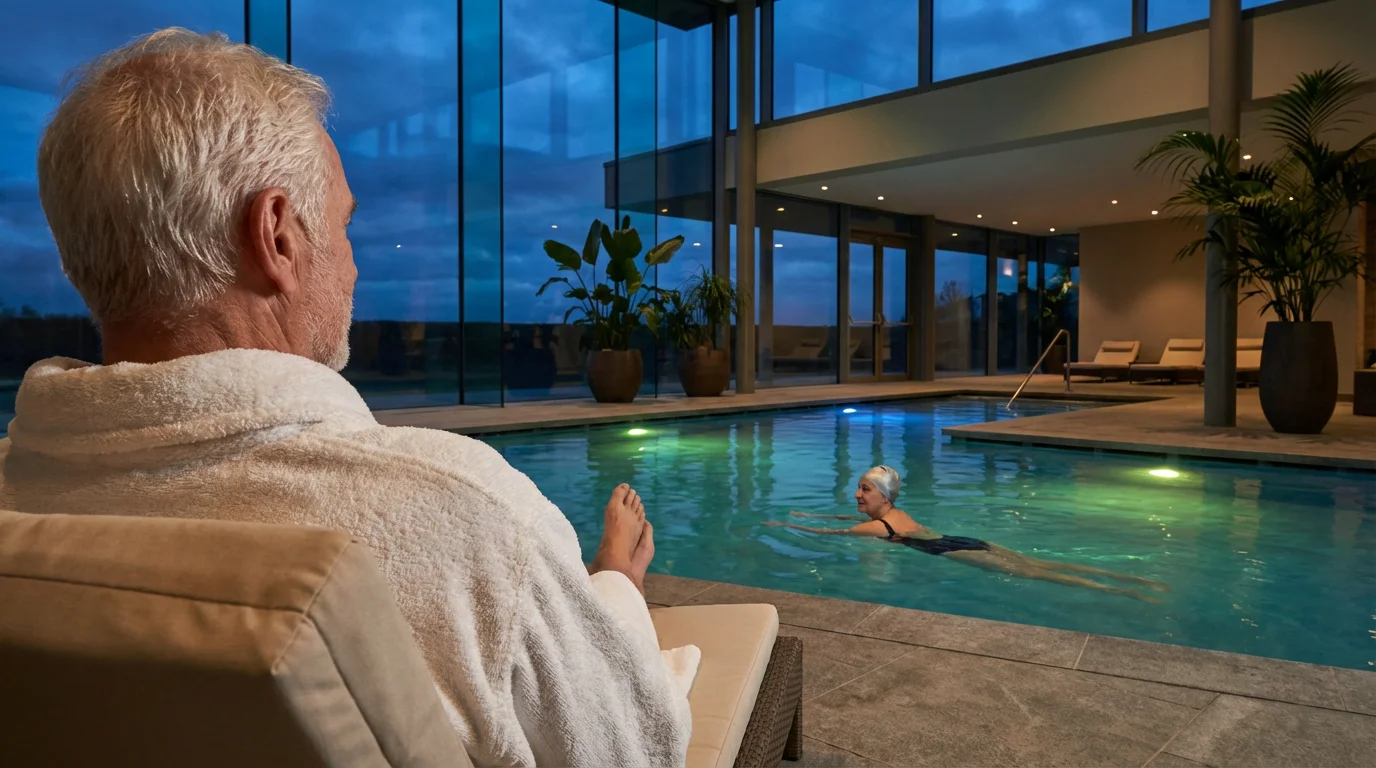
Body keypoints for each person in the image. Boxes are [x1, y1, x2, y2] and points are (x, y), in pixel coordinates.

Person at [0, 30, 691, 766]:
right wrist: (617, 591)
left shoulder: (17, 500)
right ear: (277, 238)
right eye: (344, 224)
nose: (355, 263)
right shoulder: (465, 517)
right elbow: (634, 746)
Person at [766, 466, 1168, 602]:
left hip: (949, 552)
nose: (857, 494)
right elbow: (843, 517)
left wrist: (790, 525)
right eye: (859, 487)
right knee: (1037, 561)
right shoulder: (895, 514)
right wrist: (810, 511)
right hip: (963, 538)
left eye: (864, 489)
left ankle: (1120, 591)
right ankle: (1127, 578)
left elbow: (830, 532)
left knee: (1032, 573)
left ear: (882, 496)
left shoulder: (873, 527)